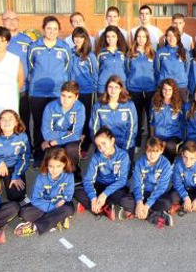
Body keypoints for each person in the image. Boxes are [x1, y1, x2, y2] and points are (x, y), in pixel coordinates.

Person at [0, 11, 33, 146]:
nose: (11, 21)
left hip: (21, 89)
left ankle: (23, 147)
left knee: (22, 121)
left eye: (15, 19)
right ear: (2, 20)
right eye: (7, 19)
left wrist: (18, 88)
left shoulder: (27, 40)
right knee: (1, 121)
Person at [28, 16, 71, 164]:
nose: (52, 31)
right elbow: (31, 67)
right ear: (43, 29)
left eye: (55, 28)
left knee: (56, 123)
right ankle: (39, 155)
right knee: (40, 123)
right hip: (38, 92)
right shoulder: (34, 46)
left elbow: (67, 68)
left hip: (57, 93)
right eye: (48, 28)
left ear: (59, 30)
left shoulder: (64, 48)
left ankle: (55, 154)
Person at [75, 127, 136, 221]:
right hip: (100, 184)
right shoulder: (96, 157)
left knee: (125, 198)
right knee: (77, 190)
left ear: (112, 141)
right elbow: (88, 180)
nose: (102, 148)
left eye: (104, 143)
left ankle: (95, 206)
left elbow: (122, 180)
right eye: (99, 146)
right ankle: (102, 207)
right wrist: (92, 198)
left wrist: (104, 194)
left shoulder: (123, 155)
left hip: (116, 186)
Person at [14, 148, 75, 237]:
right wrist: (52, 207)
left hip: (61, 204)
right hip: (45, 204)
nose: (54, 170)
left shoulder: (69, 176)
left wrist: (62, 200)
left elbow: (68, 195)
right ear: (46, 165)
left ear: (64, 164)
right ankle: (57, 219)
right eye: (51, 166)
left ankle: (34, 226)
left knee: (68, 209)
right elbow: (35, 199)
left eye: (58, 166)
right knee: (23, 213)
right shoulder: (41, 178)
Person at [0, 110, 30, 202]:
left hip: (13, 167)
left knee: (16, 196)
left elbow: (25, 158)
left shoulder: (22, 137)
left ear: (16, 122)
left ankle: (9, 181)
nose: (6, 122)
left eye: (10, 119)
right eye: (3, 119)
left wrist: (16, 175)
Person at [41, 81, 85, 180]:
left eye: (70, 97)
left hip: (60, 140)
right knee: (54, 154)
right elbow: (46, 134)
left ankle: (74, 172)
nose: (65, 100)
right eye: (63, 95)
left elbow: (76, 134)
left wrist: (57, 141)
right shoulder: (50, 107)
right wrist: (66, 133)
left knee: (71, 149)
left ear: (76, 97)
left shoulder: (80, 108)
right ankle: (56, 177)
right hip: (54, 139)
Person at [89, 76, 138, 160]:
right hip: (104, 146)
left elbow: (133, 129)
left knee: (125, 170)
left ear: (120, 89)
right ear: (106, 89)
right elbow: (94, 129)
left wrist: (125, 148)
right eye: (110, 87)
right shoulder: (98, 106)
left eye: (116, 87)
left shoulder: (129, 105)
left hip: (125, 145)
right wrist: (102, 146)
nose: (113, 90)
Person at [68, 26, 98, 156]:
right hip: (72, 92)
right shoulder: (70, 53)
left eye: (81, 37)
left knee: (86, 118)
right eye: (75, 37)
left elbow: (95, 74)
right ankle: (74, 141)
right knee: (73, 117)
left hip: (87, 91)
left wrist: (93, 88)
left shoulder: (89, 56)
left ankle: (85, 145)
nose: (78, 39)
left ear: (85, 38)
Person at [127, 26, 157, 152]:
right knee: (137, 118)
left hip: (150, 90)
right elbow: (126, 70)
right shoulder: (130, 53)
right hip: (135, 90)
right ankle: (137, 142)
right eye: (138, 36)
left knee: (151, 117)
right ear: (135, 38)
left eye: (143, 36)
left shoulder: (153, 53)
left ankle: (151, 143)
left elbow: (157, 70)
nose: (141, 39)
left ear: (147, 38)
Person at [132, 138, 175, 228]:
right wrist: (139, 202)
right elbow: (137, 185)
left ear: (161, 151)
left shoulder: (165, 164)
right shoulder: (140, 163)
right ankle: (156, 215)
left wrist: (147, 206)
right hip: (143, 192)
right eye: (149, 151)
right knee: (126, 200)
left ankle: (142, 212)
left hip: (157, 194)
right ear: (145, 150)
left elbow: (161, 188)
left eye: (156, 151)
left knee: (167, 202)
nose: (152, 155)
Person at [149, 78, 185, 162]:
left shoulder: (179, 104)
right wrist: (152, 138)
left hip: (174, 137)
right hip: (159, 136)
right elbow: (152, 122)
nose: (167, 92)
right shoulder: (155, 103)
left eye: (170, 89)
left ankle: (171, 162)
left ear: (174, 91)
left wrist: (184, 141)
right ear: (161, 90)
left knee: (170, 146)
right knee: (155, 152)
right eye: (164, 89)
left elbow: (183, 123)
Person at [156, 26, 191, 100]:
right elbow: (157, 70)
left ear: (178, 37)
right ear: (166, 37)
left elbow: (187, 69)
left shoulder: (184, 52)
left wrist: (181, 79)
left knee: (181, 109)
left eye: (174, 35)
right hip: (165, 88)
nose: (171, 38)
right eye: (169, 36)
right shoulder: (161, 52)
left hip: (181, 87)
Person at [95, 25, 129, 95]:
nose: (110, 39)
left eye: (113, 36)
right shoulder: (100, 53)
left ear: (117, 38)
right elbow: (95, 71)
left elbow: (127, 70)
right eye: (108, 36)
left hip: (120, 87)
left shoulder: (124, 52)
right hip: (103, 87)